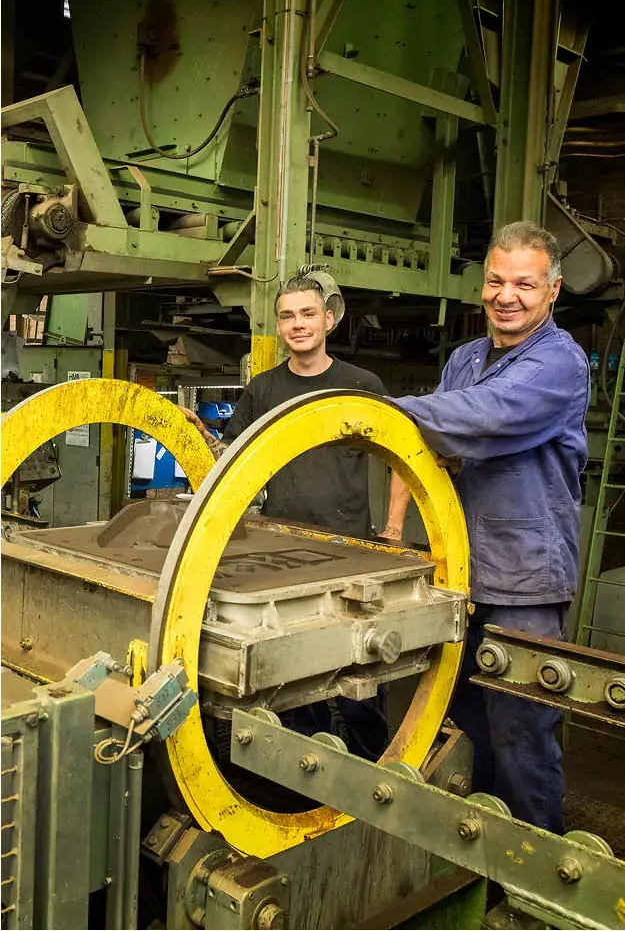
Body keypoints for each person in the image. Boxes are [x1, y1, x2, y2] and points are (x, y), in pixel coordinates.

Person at [383, 221, 590, 833]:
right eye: (496, 281)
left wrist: (380, 410)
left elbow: (481, 417)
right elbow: (439, 440)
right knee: (464, 730)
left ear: (553, 291)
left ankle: (531, 883)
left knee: (522, 741)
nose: (507, 295)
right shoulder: (466, 359)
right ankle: (474, 858)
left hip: (525, 584)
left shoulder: (559, 362)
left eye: (524, 284)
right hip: (459, 573)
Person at [185, 269, 403, 761]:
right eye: (287, 316)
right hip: (281, 550)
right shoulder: (263, 389)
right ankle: (301, 774)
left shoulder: (360, 384)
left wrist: (392, 530)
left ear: (329, 320)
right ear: (279, 327)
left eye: (308, 314)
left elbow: (402, 459)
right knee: (292, 675)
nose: (297, 324)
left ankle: (370, 769)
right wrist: (200, 433)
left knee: (358, 673)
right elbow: (233, 457)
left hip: (348, 550)